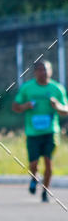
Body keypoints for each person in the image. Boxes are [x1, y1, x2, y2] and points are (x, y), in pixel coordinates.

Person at [12, 60, 68, 202]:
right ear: (35, 72)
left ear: (50, 71)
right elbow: (15, 107)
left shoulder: (57, 88)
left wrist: (57, 106)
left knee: (48, 162)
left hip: (51, 132)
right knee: (34, 163)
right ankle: (34, 178)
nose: (43, 73)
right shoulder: (27, 88)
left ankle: (45, 191)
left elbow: (65, 111)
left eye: (45, 70)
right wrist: (25, 106)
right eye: (40, 70)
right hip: (33, 133)